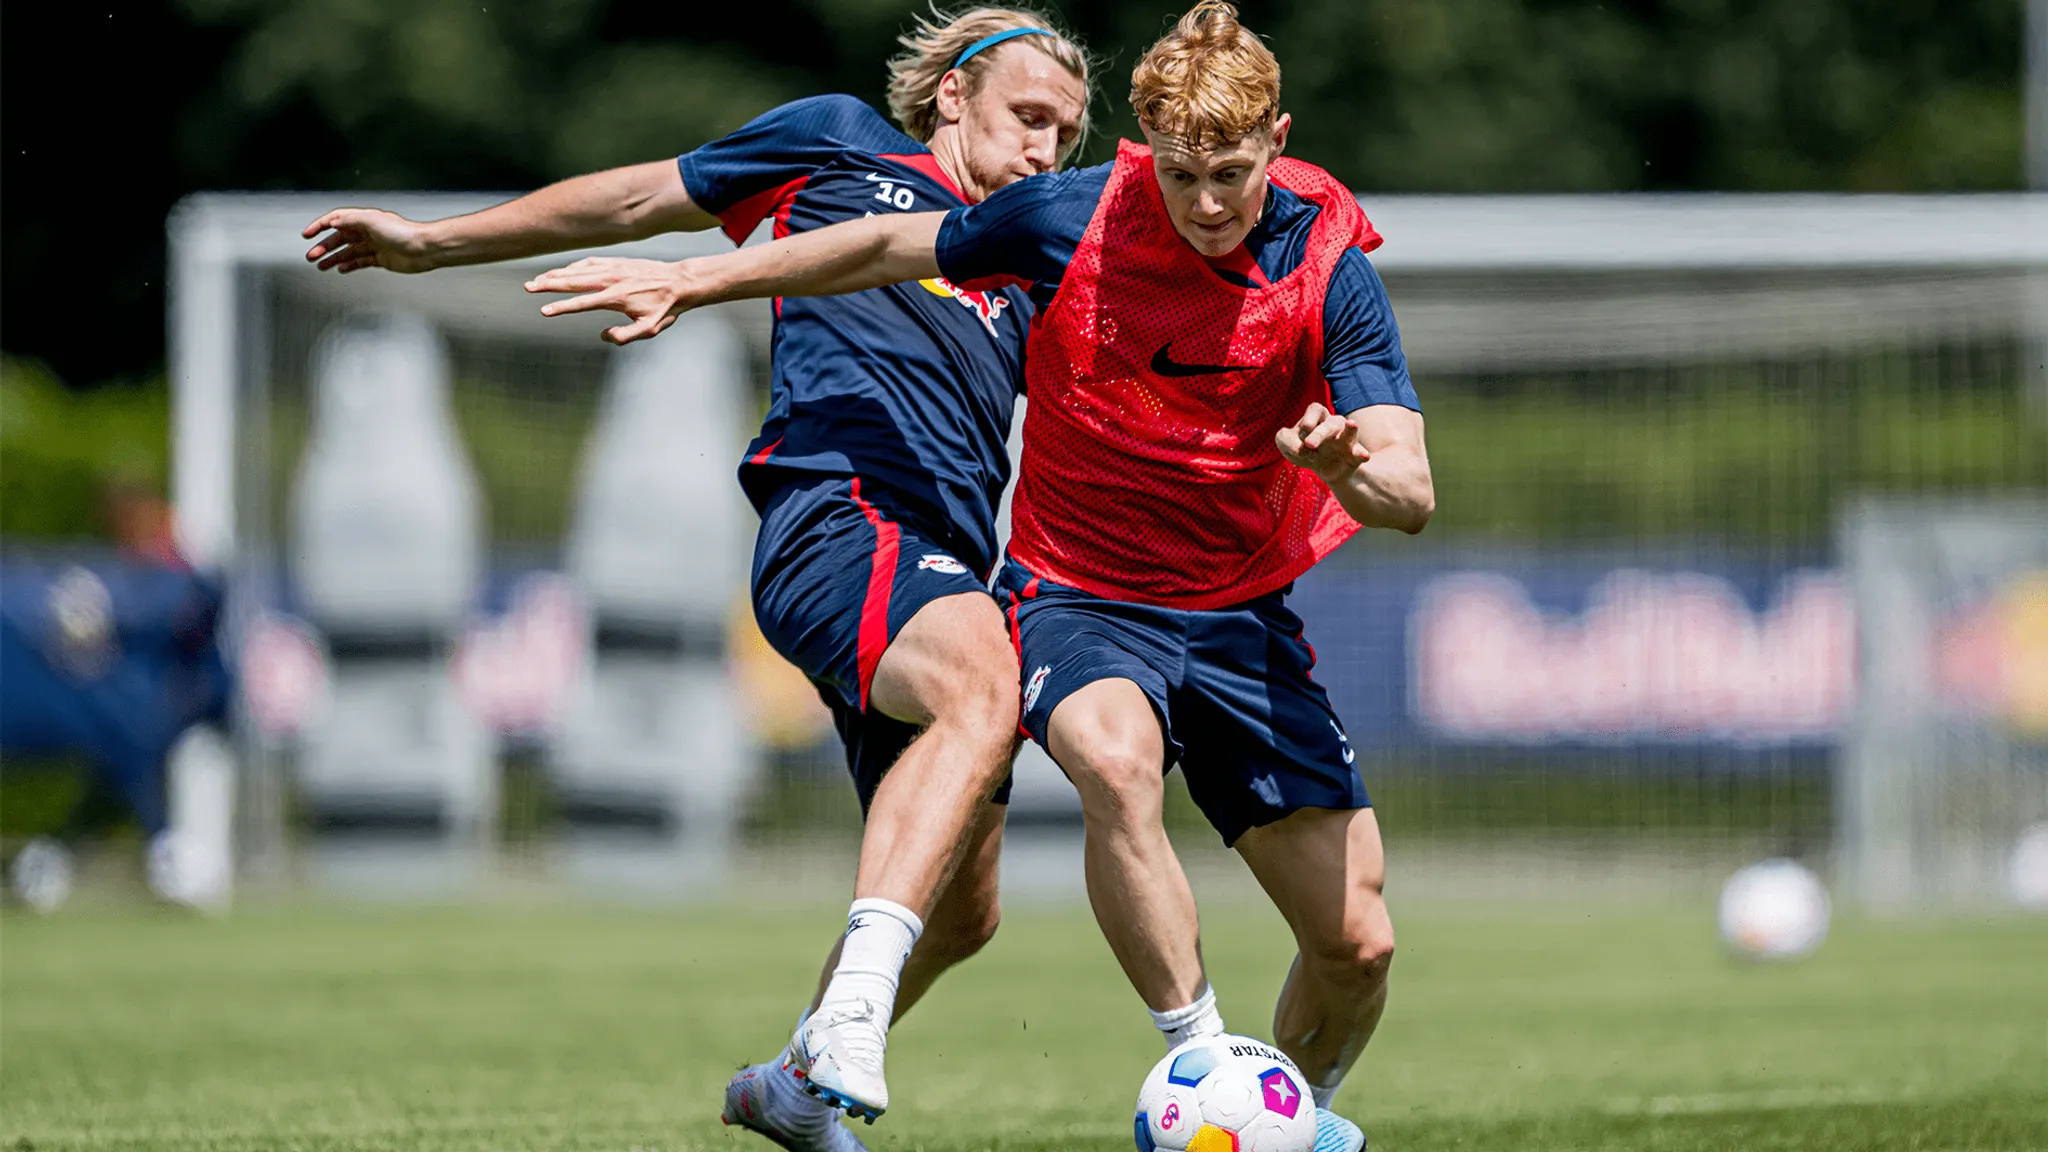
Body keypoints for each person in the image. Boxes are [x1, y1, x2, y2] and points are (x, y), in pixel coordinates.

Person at [523, 5, 1432, 1149]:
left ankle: (1282, 1119)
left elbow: (1409, 489)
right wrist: (697, 284)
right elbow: (874, 248)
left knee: (1354, 943)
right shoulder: (1069, 213)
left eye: (1233, 177)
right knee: (1110, 756)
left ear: (1277, 141)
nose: (1207, 205)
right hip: (1077, 593)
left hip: (1237, 612)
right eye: (1185, 176)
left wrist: (1350, 466)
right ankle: (1197, 1055)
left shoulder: (1326, 262)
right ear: (1147, 149)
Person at [302, 8, 1093, 1148]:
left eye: (1065, 135)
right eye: (1028, 116)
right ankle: (850, 1023)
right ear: (952, 98)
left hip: (945, 574)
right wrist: (434, 245)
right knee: (981, 687)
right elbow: (630, 202)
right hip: (835, 520)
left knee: (965, 912)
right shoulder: (838, 146)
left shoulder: (1025, 248)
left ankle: (789, 1081)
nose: (1044, 150)